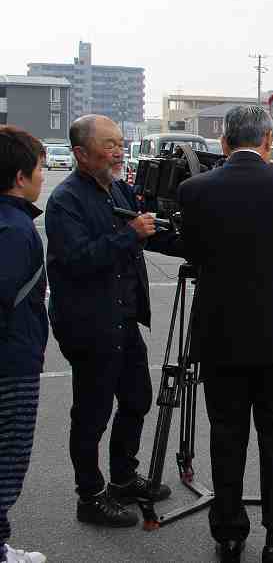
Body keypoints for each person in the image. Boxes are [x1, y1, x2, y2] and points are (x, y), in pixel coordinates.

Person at [177, 105, 273, 563]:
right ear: (267, 141)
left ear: (224, 142)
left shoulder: (194, 190)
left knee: (226, 433)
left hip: (219, 329)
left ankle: (228, 533)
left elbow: (192, 252)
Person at [45, 115, 181, 528]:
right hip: (88, 323)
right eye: (109, 145)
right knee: (92, 413)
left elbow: (147, 230)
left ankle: (123, 478)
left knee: (137, 398)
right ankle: (90, 495)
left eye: (121, 143)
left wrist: (197, 242)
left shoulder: (118, 188)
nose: (119, 152)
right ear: (81, 153)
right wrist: (130, 234)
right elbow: (77, 260)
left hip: (123, 317)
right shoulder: (65, 200)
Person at [0, 127, 48, 563]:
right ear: (20, 176)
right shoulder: (15, 230)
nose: (42, 176)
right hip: (11, 364)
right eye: (39, 168)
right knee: (7, 463)